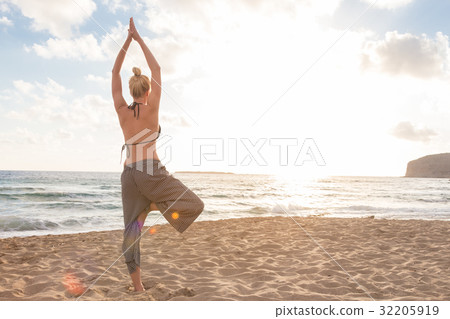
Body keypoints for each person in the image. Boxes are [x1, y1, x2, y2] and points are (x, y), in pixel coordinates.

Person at [112, 17, 204, 292]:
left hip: (128, 175)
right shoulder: (152, 110)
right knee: (194, 204)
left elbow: (115, 72)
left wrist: (127, 41)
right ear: (148, 91)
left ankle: (137, 287)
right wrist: (139, 38)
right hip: (151, 171)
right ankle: (153, 206)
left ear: (130, 91)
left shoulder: (121, 110)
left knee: (131, 232)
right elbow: (157, 68)